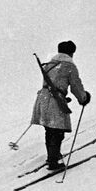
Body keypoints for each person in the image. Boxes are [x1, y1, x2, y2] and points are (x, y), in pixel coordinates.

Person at [31, 41, 91, 170]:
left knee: (49, 129)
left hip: (43, 98)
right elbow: (75, 85)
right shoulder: (69, 66)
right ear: (71, 53)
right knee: (57, 131)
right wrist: (83, 98)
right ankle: (53, 161)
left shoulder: (50, 64)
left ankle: (52, 155)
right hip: (55, 101)